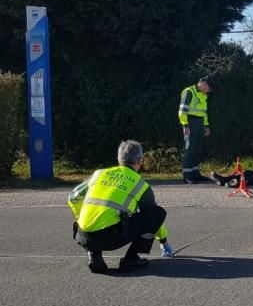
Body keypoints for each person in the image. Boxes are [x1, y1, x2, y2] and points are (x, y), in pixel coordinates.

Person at [68, 140, 172, 274]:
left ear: (118, 158)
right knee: (157, 213)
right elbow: (152, 218)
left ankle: (94, 254)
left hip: (82, 235)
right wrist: (164, 242)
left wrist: (80, 217)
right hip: (110, 239)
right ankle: (131, 259)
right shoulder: (141, 185)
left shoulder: (99, 174)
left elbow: (73, 198)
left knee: (100, 221)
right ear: (141, 160)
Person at [178, 78, 212, 183]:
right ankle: (187, 176)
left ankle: (195, 174)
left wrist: (206, 126)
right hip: (191, 123)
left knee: (197, 149)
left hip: (199, 124)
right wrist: (185, 125)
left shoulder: (203, 95)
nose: (209, 91)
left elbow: (203, 113)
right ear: (203, 84)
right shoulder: (189, 92)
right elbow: (182, 110)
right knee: (190, 149)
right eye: (208, 88)